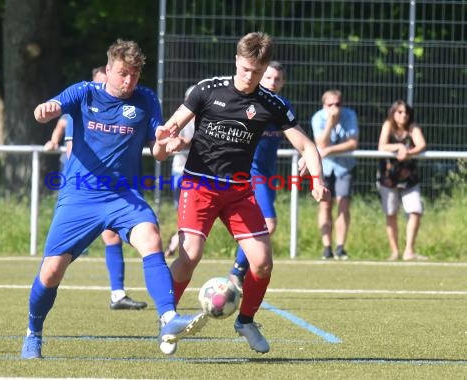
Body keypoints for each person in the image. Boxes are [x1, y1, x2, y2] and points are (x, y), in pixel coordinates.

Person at [21, 39, 206, 360]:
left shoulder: (146, 99)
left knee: (151, 238)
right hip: (80, 195)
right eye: (122, 73)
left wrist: (167, 144)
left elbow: (158, 150)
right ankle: (33, 332)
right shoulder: (84, 92)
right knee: (51, 272)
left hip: (124, 196)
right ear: (107, 70)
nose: (128, 81)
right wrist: (44, 110)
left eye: (134, 74)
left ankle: (167, 319)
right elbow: (45, 112)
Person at [154, 32, 330, 354]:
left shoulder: (271, 103)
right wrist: (165, 141)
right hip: (200, 185)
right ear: (236, 60)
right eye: (246, 69)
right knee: (190, 254)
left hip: (238, 191)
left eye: (258, 72)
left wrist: (317, 180)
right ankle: (168, 319)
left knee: (262, 263)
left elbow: (306, 146)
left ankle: (245, 321)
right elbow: (168, 134)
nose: (250, 78)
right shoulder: (207, 90)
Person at [44, 69, 147, 311]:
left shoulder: (124, 106)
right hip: (85, 186)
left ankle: (118, 293)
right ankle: (116, 292)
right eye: (99, 82)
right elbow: (72, 151)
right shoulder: (82, 106)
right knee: (56, 264)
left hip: (112, 188)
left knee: (113, 236)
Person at [227, 61, 287, 290]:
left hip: (268, 175)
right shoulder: (251, 104)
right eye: (269, 77)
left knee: (258, 225)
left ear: (283, 83)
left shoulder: (280, 107)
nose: (273, 82)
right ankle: (237, 273)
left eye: (277, 79)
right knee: (268, 224)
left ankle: (238, 272)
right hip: (251, 174)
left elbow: (297, 135)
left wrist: (305, 154)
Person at [311, 89, 359, 260]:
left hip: (344, 167)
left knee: (343, 204)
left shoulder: (350, 115)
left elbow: (353, 143)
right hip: (323, 167)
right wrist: (330, 122)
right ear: (324, 105)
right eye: (330, 105)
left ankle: (340, 247)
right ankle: (327, 247)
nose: (335, 108)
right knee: (324, 205)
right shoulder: (318, 118)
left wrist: (330, 150)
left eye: (338, 104)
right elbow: (320, 143)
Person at [377, 100, 427, 261]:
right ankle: (394, 251)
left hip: (408, 178)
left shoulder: (413, 127)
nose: (403, 115)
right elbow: (382, 146)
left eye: (405, 112)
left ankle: (409, 250)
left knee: (415, 211)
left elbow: (421, 145)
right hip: (389, 178)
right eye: (399, 112)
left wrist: (409, 153)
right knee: (391, 213)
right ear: (393, 113)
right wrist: (398, 147)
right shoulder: (388, 125)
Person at [164, 85, 196, 257]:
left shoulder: (207, 120)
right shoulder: (181, 119)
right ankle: (177, 243)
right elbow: (172, 139)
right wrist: (184, 142)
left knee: (188, 214)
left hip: (197, 174)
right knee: (183, 213)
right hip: (181, 172)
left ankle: (176, 244)